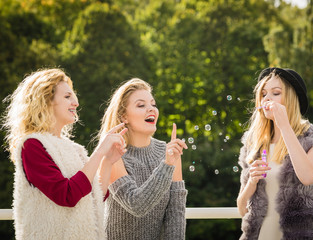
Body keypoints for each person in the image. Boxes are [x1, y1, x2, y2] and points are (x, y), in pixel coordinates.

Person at [2, 68, 127, 240]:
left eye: (73, 96)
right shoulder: (32, 145)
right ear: (45, 101)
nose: (75, 102)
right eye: (67, 96)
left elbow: (94, 197)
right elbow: (67, 196)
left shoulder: (75, 149)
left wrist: (107, 161)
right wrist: (99, 151)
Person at [236, 67, 313, 240]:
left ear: (292, 100)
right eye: (263, 94)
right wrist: (251, 184)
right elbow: (243, 210)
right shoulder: (254, 145)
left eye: (275, 93)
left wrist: (284, 125)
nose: (267, 98)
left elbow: (307, 177)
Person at [99, 78, 188, 240]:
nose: (151, 109)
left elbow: (176, 211)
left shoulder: (168, 152)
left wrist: (169, 161)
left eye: (153, 104)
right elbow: (136, 205)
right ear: (123, 116)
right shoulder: (112, 153)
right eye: (141, 105)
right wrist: (167, 164)